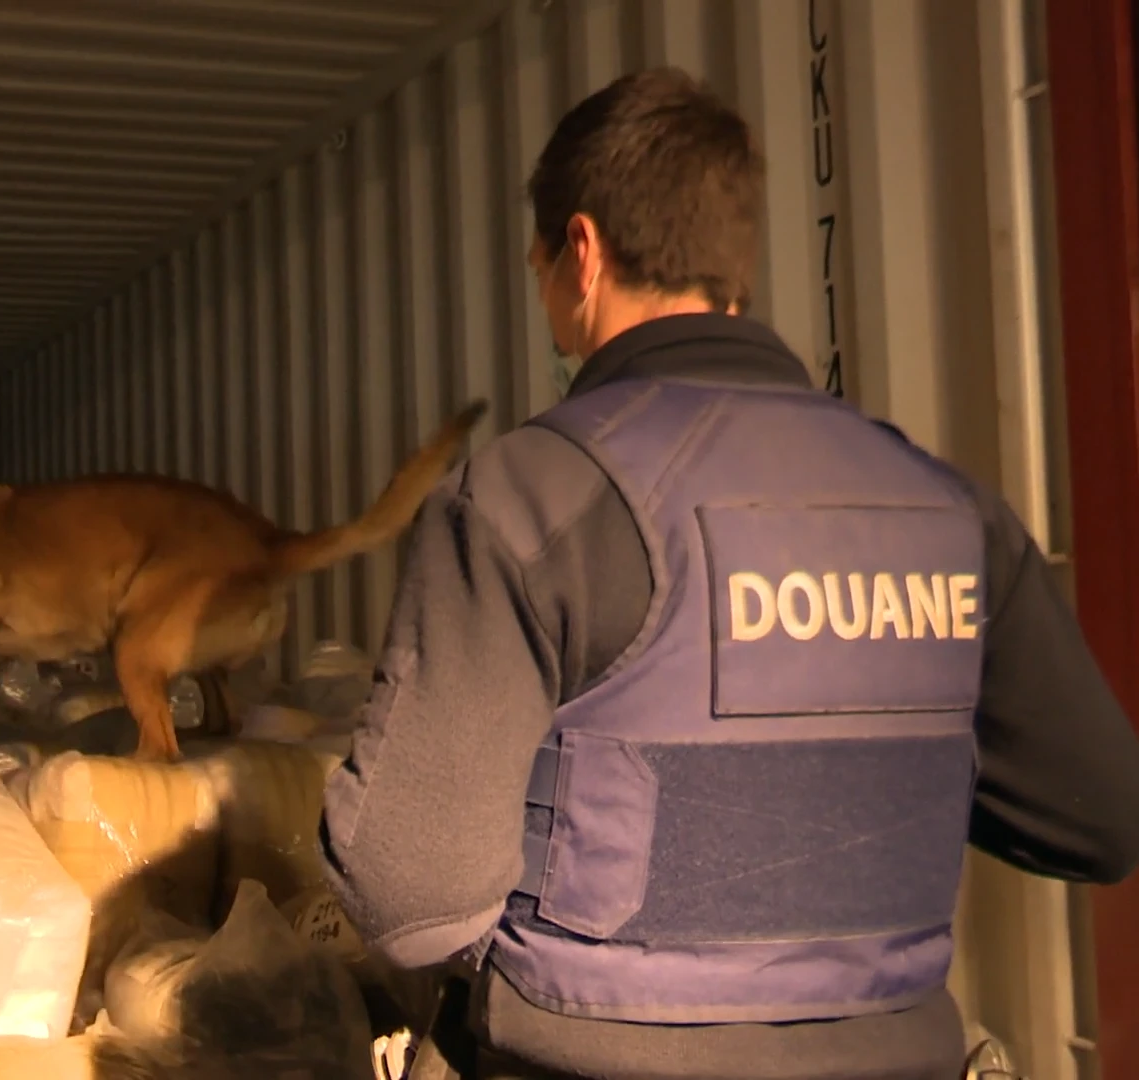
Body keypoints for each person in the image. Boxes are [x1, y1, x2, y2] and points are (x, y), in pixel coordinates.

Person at [318, 65, 1139, 1080]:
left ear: (580, 255)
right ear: (732, 272)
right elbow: (1100, 818)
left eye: (538, 270)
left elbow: (408, 896)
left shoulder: (533, 496)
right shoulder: (946, 509)